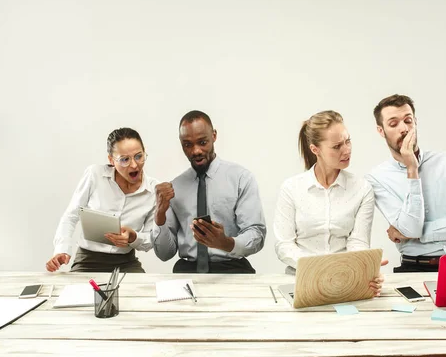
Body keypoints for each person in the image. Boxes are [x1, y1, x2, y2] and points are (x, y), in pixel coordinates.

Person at [274, 110, 387, 295]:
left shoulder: (362, 189)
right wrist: (320, 269)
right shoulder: (291, 188)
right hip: (301, 280)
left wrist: (365, 267)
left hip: (345, 281)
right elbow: (284, 246)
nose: (347, 150)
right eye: (336, 146)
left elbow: (358, 242)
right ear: (315, 150)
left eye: (348, 141)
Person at [365, 94, 446, 273]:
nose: (404, 128)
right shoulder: (376, 178)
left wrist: (417, 234)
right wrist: (412, 168)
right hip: (414, 268)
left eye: (408, 120)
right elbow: (411, 227)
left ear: (415, 122)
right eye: (393, 124)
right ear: (381, 131)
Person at [152, 110, 266, 274]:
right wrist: (159, 215)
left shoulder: (241, 178)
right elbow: (164, 254)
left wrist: (226, 243)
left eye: (202, 142)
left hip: (232, 269)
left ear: (214, 136)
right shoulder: (173, 188)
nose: (195, 151)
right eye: (187, 144)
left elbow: (256, 235)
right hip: (188, 271)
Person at [46, 128, 158, 273]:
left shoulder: (154, 189)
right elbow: (71, 216)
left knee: (145, 294)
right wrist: (61, 250)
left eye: (138, 156)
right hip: (88, 260)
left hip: (126, 263)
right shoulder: (95, 175)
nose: (134, 165)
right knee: (74, 294)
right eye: (125, 159)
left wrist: (133, 237)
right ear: (111, 160)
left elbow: (151, 238)